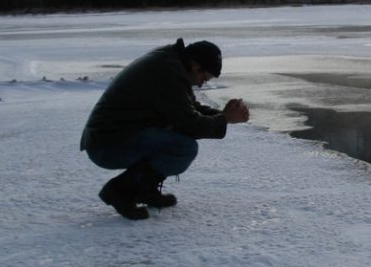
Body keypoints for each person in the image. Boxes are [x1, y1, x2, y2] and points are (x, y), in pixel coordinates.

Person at [80, 39, 251, 220]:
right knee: (183, 147)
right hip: (107, 145)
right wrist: (225, 118)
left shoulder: (172, 64)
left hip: (112, 137)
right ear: (195, 65)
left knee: (176, 141)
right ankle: (120, 190)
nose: (201, 84)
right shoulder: (168, 73)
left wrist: (223, 116)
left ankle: (144, 189)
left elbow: (187, 108)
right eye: (204, 78)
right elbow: (190, 124)